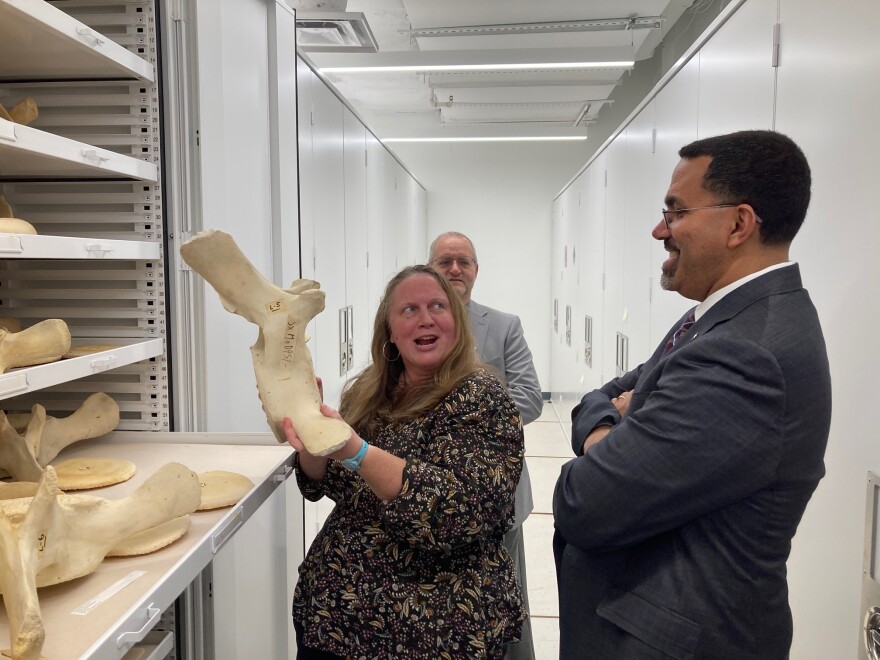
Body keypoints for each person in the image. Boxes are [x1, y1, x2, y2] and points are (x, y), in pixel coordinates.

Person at [553, 130, 831, 659]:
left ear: (738, 224)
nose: (660, 229)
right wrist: (619, 423)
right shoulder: (722, 318)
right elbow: (606, 393)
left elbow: (585, 501)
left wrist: (603, 440)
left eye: (676, 212)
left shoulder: (748, 352)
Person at [281, 265, 525, 659]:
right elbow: (331, 484)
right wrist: (311, 439)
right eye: (409, 310)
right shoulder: (371, 390)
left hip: (430, 634)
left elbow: (456, 512)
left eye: (437, 306)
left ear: (457, 322)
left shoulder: (483, 398)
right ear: (390, 332)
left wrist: (357, 451)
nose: (425, 318)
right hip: (332, 621)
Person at [429, 231, 543, 660]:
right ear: (430, 269)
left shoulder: (503, 326)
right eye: (445, 261)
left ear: (476, 270)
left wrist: (457, 416)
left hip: (498, 494)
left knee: (508, 599)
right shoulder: (412, 326)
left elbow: (530, 399)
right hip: (429, 495)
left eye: (463, 261)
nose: (454, 269)